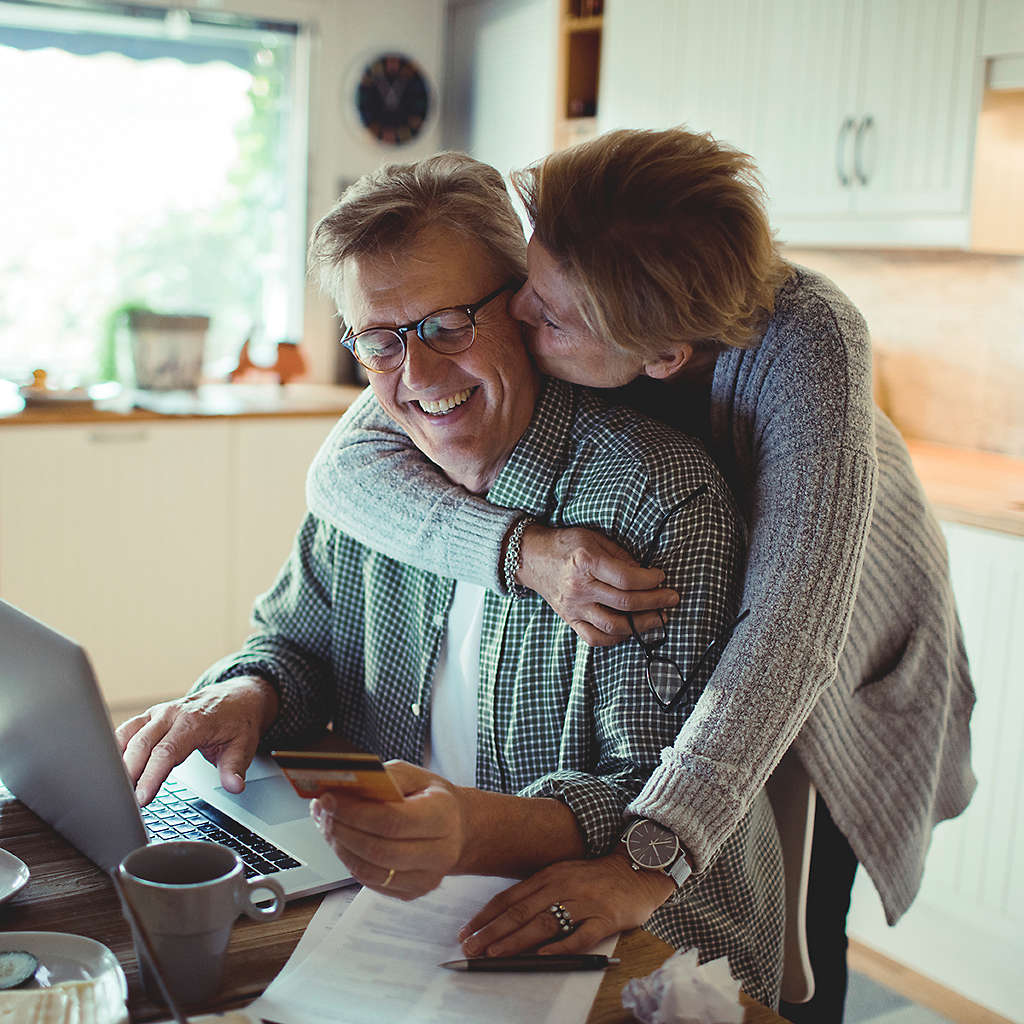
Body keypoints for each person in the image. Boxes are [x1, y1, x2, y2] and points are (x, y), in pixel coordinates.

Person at [304, 128, 977, 1023]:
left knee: (799, 943)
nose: (517, 320)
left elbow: (789, 638)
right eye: (520, 292)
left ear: (659, 359)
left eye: (543, 316)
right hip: (752, 630)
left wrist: (642, 862)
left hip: (845, 665)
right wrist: (525, 551)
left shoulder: (805, 346)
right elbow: (341, 468)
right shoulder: (594, 286)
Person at [117, 152, 785, 1008]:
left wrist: (467, 830)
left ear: (527, 304)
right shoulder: (372, 471)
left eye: (446, 326)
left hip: (631, 938)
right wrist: (243, 694)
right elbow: (293, 640)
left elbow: (654, 801)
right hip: (392, 909)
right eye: (381, 341)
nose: (417, 378)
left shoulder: (655, 500)